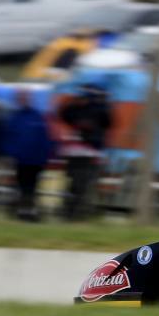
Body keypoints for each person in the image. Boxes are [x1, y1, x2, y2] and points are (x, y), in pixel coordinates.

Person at [59, 85, 113, 220]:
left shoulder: (98, 110)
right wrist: (73, 101)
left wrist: (100, 103)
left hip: (87, 152)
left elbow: (107, 121)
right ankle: (71, 212)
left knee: (81, 184)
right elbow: (63, 114)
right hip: (78, 152)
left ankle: (74, 212)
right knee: (76, 183)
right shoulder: (77, 109)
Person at [0, 89, 55, 221]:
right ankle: (20, 211)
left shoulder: (37, 116)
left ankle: (29, 212)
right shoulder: (13, 117)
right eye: (21, 97)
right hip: (19, 160)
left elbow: (45, 138)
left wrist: (46, 155)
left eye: (26, 97)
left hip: (36, 160)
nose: (24, 100)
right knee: (20, 186)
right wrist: (10, 153)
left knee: (32, 187)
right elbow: (6, 137)